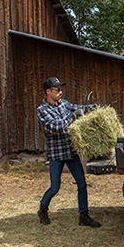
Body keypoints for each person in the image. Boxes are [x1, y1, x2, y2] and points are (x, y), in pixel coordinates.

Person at [36, 77, 101, 228]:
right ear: (48, 91)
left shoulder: (63, 103)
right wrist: (74, 117)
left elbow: (76, 108)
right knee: (55, 187)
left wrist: (91, 108)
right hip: (56, 155)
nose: (60, 92)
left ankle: (84, 216)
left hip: (71, 152)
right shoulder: (42, 111)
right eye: (57, 89)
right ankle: (43, 209)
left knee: (82, 184)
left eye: (60, 88)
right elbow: (55, 127)